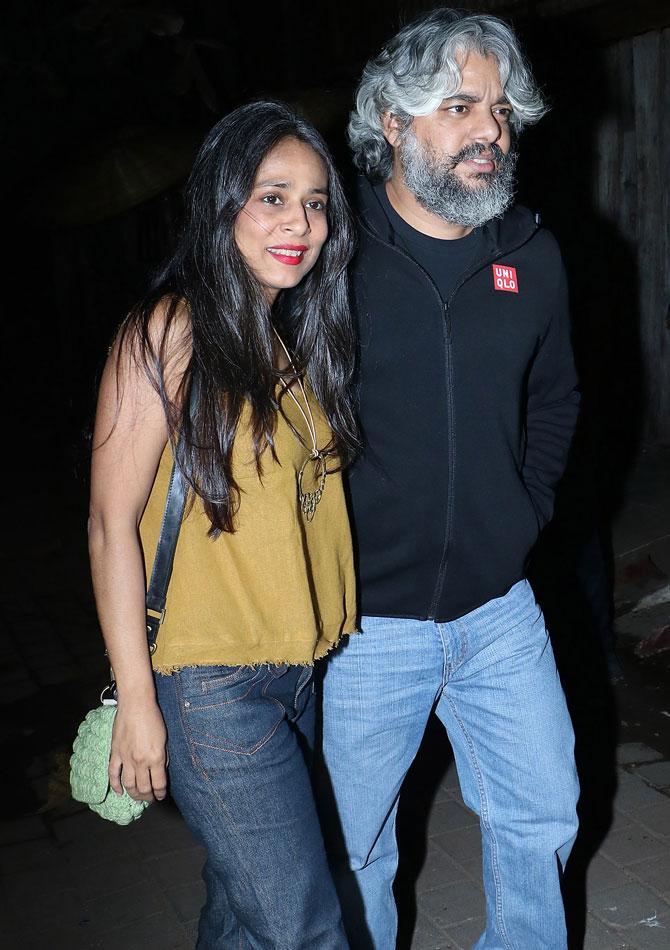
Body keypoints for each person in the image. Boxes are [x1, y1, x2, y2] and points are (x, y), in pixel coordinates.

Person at [319, 10, 580, 949]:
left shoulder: (533, 255)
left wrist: (522, 517)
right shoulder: (324, 256)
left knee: (542, 814)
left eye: (502, 110)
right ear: (392, 122)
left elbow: (554, 405)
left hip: (499, 610)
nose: (491, 131)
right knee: (352, 854)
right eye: (460, 105)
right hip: (361, 626)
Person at [88, 100, 358, 949]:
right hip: (212, 690)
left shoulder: (287, 339)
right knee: (307, 927)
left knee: (243, 915)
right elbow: (110, 523)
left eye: (315, 202)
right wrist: (138, 698)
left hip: (292, 673)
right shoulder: (166, 330)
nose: (301, 223)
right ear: (221, 204)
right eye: (273, 196)